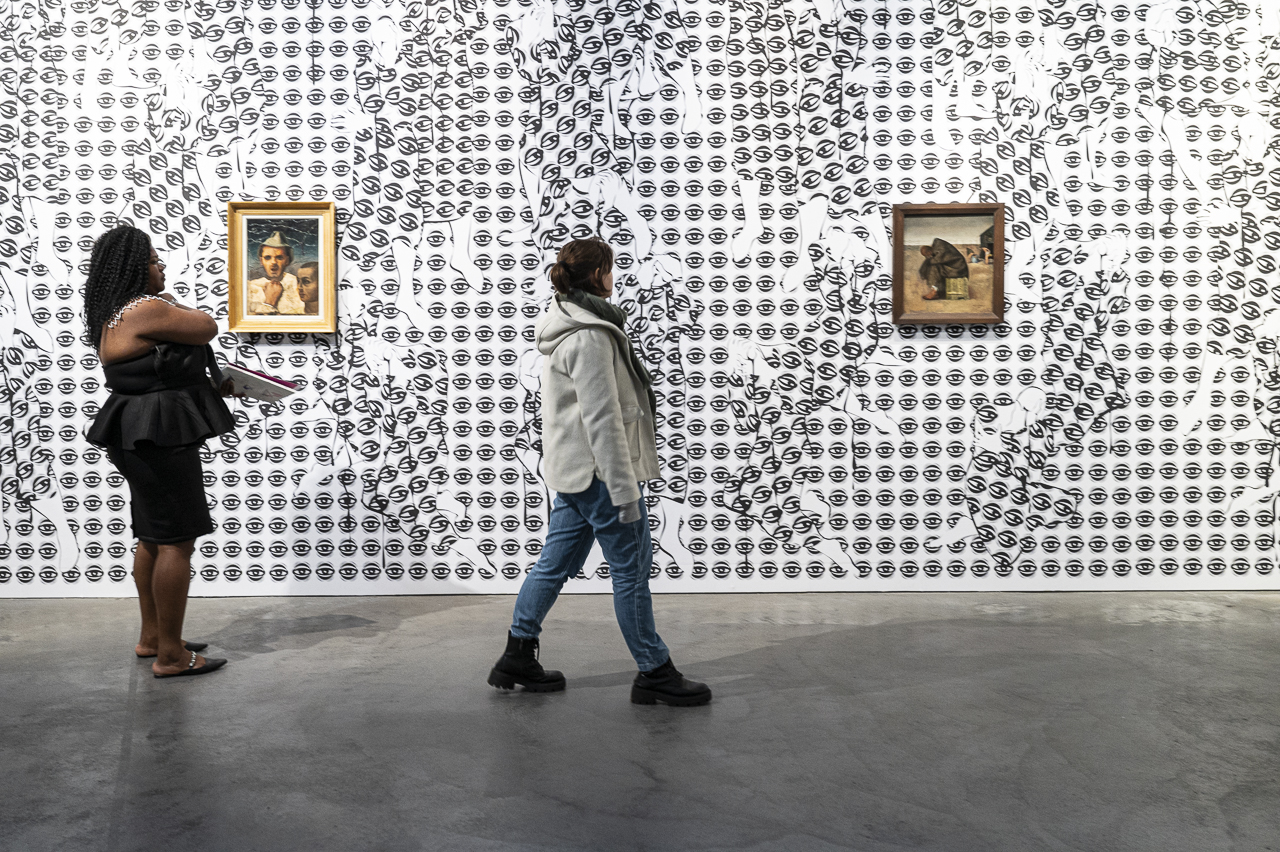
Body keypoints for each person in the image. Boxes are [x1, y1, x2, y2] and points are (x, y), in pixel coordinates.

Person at [487, 238, 711, 707]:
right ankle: (654, 670)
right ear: (596, 276)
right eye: (610, 268)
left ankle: (517, 654)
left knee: (553, 564)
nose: (614, 276)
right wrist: (624, 489)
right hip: (601, 476)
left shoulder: (568, 325)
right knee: (631, 571)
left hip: (574, 473)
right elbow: (602, 420)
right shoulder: (590, 336)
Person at [84, 225, 239, 678]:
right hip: (159, 436)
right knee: (177, 540)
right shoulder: (145, 309)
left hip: (137, 432)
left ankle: (153, 636)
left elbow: (161, 369)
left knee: (153, 535)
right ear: (136, 268)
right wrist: (174, 304)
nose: (162, 267)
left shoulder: (115, 312)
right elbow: (206, 325)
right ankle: (172, 655)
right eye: (154, 261)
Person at [247, 231, 305, 315]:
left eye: (279, 257)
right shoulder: (250, 287)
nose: (273, 262)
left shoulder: (297, 284)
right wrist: (269, 303)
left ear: (287, 261)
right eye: (267, 258)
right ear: (261, 261)